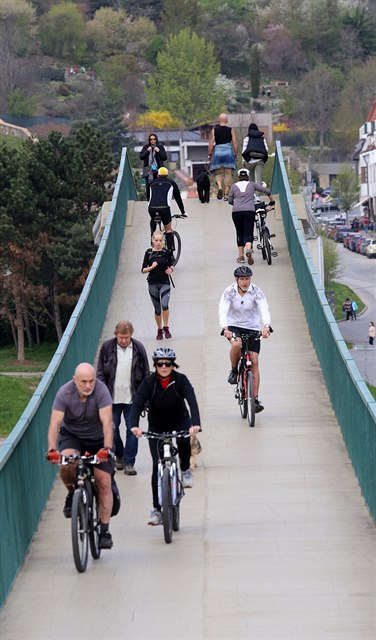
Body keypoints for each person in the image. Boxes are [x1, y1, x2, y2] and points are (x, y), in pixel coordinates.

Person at [46, 363, 115, 549]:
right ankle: (71, 493)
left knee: (103, 481)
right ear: (74, 380)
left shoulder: (101, 391)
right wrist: (53, 450)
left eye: (91, 381)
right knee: (67, 463)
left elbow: (107, 421)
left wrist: (106, 449)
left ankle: (104, 531)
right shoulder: (64, 393)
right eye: (83, 381)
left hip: (99, 439)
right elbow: (55, 424)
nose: (88, 385)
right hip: (73, 437)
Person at [131, 347, 201, 526]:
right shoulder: (149, 382)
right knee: (157, 466)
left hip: (180, 421)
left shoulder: (181, 380)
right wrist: (134, 426)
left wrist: (195, 424)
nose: (163, 367)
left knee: (184, 440)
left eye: (167, 364)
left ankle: (185, 470)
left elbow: (191, 400)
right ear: (155, 365)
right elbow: (137, 404)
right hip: (157, 426)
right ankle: (156, 509)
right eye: (160, 364)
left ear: (172, 365)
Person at [96, 320, 150, 475]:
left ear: (131, 335)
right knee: (112, 430)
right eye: (121, 337)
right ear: (116, 335)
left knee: (132, 430)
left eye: (126, 337)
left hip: (132, 399)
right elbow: (100, 373)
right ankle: (119, 454)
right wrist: (102, 395)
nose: (124, 340)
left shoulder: (139, 348)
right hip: (111, 399)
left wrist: (145, 399)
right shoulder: (107, 348)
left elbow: (146, 374)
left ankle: (129, 462)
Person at [219, 266, 271, 412]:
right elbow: (223, 309)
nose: (245, 282)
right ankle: (234, 370)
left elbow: (263, 308)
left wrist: (266, 326)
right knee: (236, 345)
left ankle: (254, 398)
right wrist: (225, 328)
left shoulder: (256, 291)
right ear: (237, 280)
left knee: (254, 361)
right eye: (242, 279)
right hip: (234, 326)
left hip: (252, 327)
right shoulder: (229, 292)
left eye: (247, 279)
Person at [227, 168, 275, 265]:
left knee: (239, 233)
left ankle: (241, 257)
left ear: (239, 177)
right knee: (248, 232)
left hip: (236, 212)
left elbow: (230, 201)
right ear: (248, 176)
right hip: (249, 210)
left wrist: (236, 204)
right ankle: (248, 249)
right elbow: (267, 191)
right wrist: (272, 201)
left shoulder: (233, 186)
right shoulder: (252, 184)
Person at [142, 230, 174, 340]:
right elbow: (143, 270)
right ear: (152, 241)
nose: (158, 242)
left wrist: (171, 269)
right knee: (157, 310)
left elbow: (171, 264)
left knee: (165, 305)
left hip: (165, 283)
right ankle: (159, 330)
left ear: (163, 241)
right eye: (156, 240)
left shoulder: (167, 252)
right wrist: (151, 267)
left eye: (160, 240)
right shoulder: (148, 253)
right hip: (153, 284)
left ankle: (166, 327)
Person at [148, 167, 186, 251]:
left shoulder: (152, 183)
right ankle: (170, 252)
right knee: (168, 230)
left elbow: (149, 197)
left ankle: (152, 245)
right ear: (167, 175)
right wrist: (183, 212)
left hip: (152, 208)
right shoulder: (171, 183)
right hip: (164, 208)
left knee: (153, 221)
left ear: (158, 175)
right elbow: (178, 198)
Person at [207, 113, 238, 200]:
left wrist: (209, 154)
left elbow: (211, 143)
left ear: (219, 120)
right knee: (228, 173)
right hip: (228, 152)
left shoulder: (214, 130)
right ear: (227, 120)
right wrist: (236, 153)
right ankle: (226, 195)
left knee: (218, 172)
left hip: (217, 153)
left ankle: (220, 187)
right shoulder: (230, 130)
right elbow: (234, 142)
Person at [139, 133, 167, 199]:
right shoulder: (146, 147)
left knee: (159, 184)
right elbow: (141, 157)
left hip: (158, 169)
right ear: (149, 140)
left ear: (156, 139)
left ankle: (159, 198)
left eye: (154, 139)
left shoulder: (160, 147)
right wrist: (147, 151)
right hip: (148, 169)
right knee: (149, 185)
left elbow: (164, 158)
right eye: (151, 139)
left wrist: (158, 151)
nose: (152, 140)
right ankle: (149, 200)